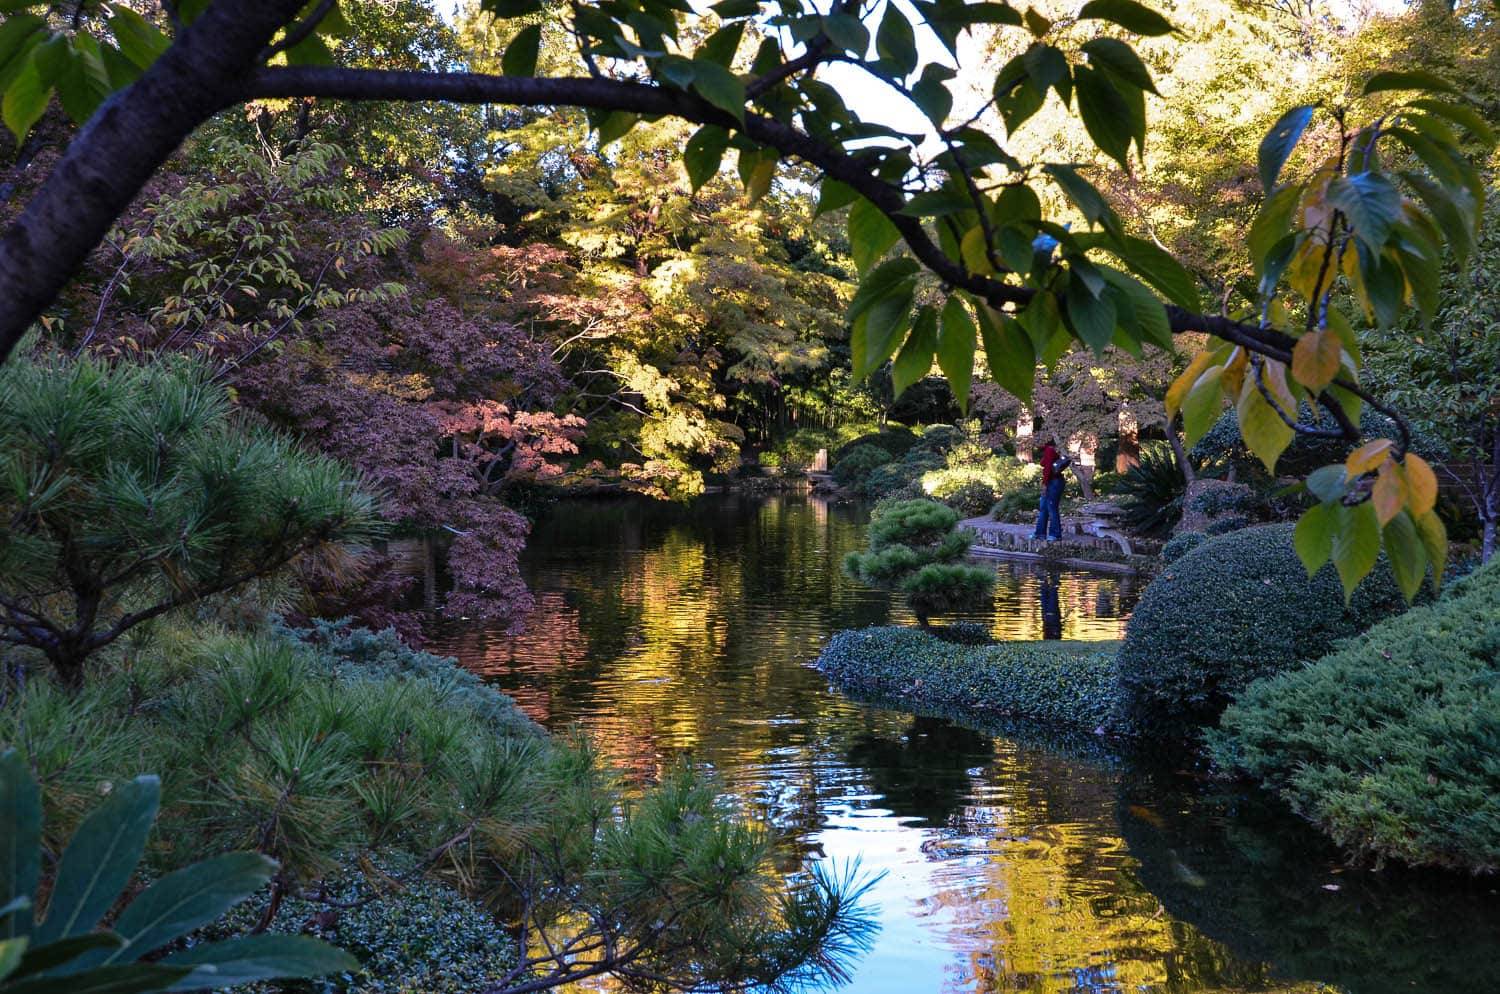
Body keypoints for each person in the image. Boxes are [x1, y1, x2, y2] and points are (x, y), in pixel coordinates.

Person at [1033, 443, 1071, 541]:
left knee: (1051, 507)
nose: (1034, 444)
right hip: (1051, 482)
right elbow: (1045, 464)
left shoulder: (1049, 450)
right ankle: (1040, 533)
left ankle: (1055, 534)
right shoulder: (1046, 451)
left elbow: (1048, 468)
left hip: (1054, 482)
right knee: (1043, 508)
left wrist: (1044, 484)